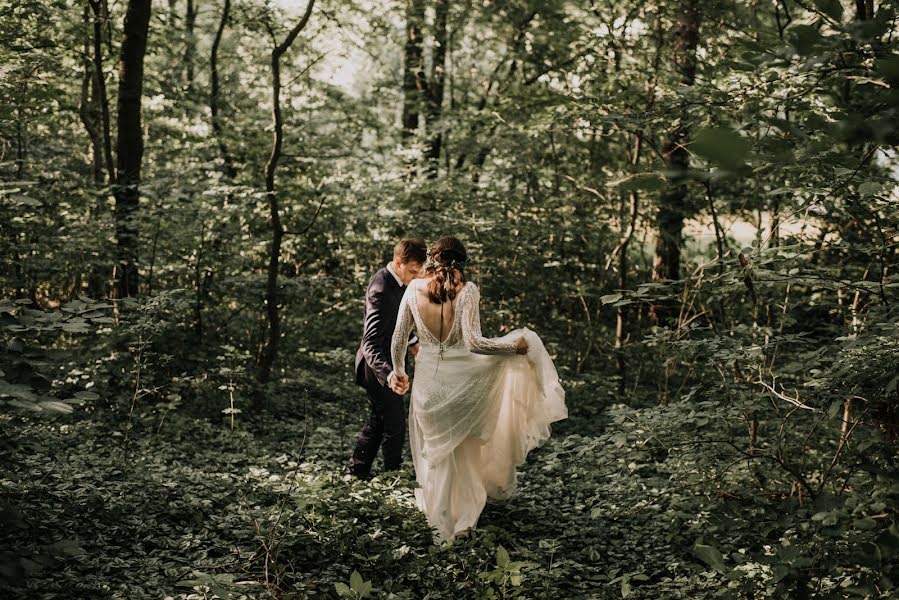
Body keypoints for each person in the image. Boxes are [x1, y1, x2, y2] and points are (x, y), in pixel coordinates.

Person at [388, 236, 567, 542]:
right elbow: (475, 343)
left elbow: (398, 339)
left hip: (429, 390)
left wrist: (399, 371)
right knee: (467, 456)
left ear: (432, 258)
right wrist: (513, 348)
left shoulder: (413, 290)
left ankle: (440, 526)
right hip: (464, 388)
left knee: (438, 458)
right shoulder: (467, 290)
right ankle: (464, 525)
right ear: (462, 261)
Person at [347, 238, 427, 478]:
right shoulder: (380, 288)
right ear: (398, 262)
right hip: (376, 367)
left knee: (379, 421)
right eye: (413, 271)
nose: (415, 277)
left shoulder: (401, 282)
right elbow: (370, 342)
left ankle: (356, 472)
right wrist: (390, 374)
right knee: (394, 426)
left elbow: (395, 323)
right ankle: (392, 478)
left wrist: (413, 343)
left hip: (389, 363)